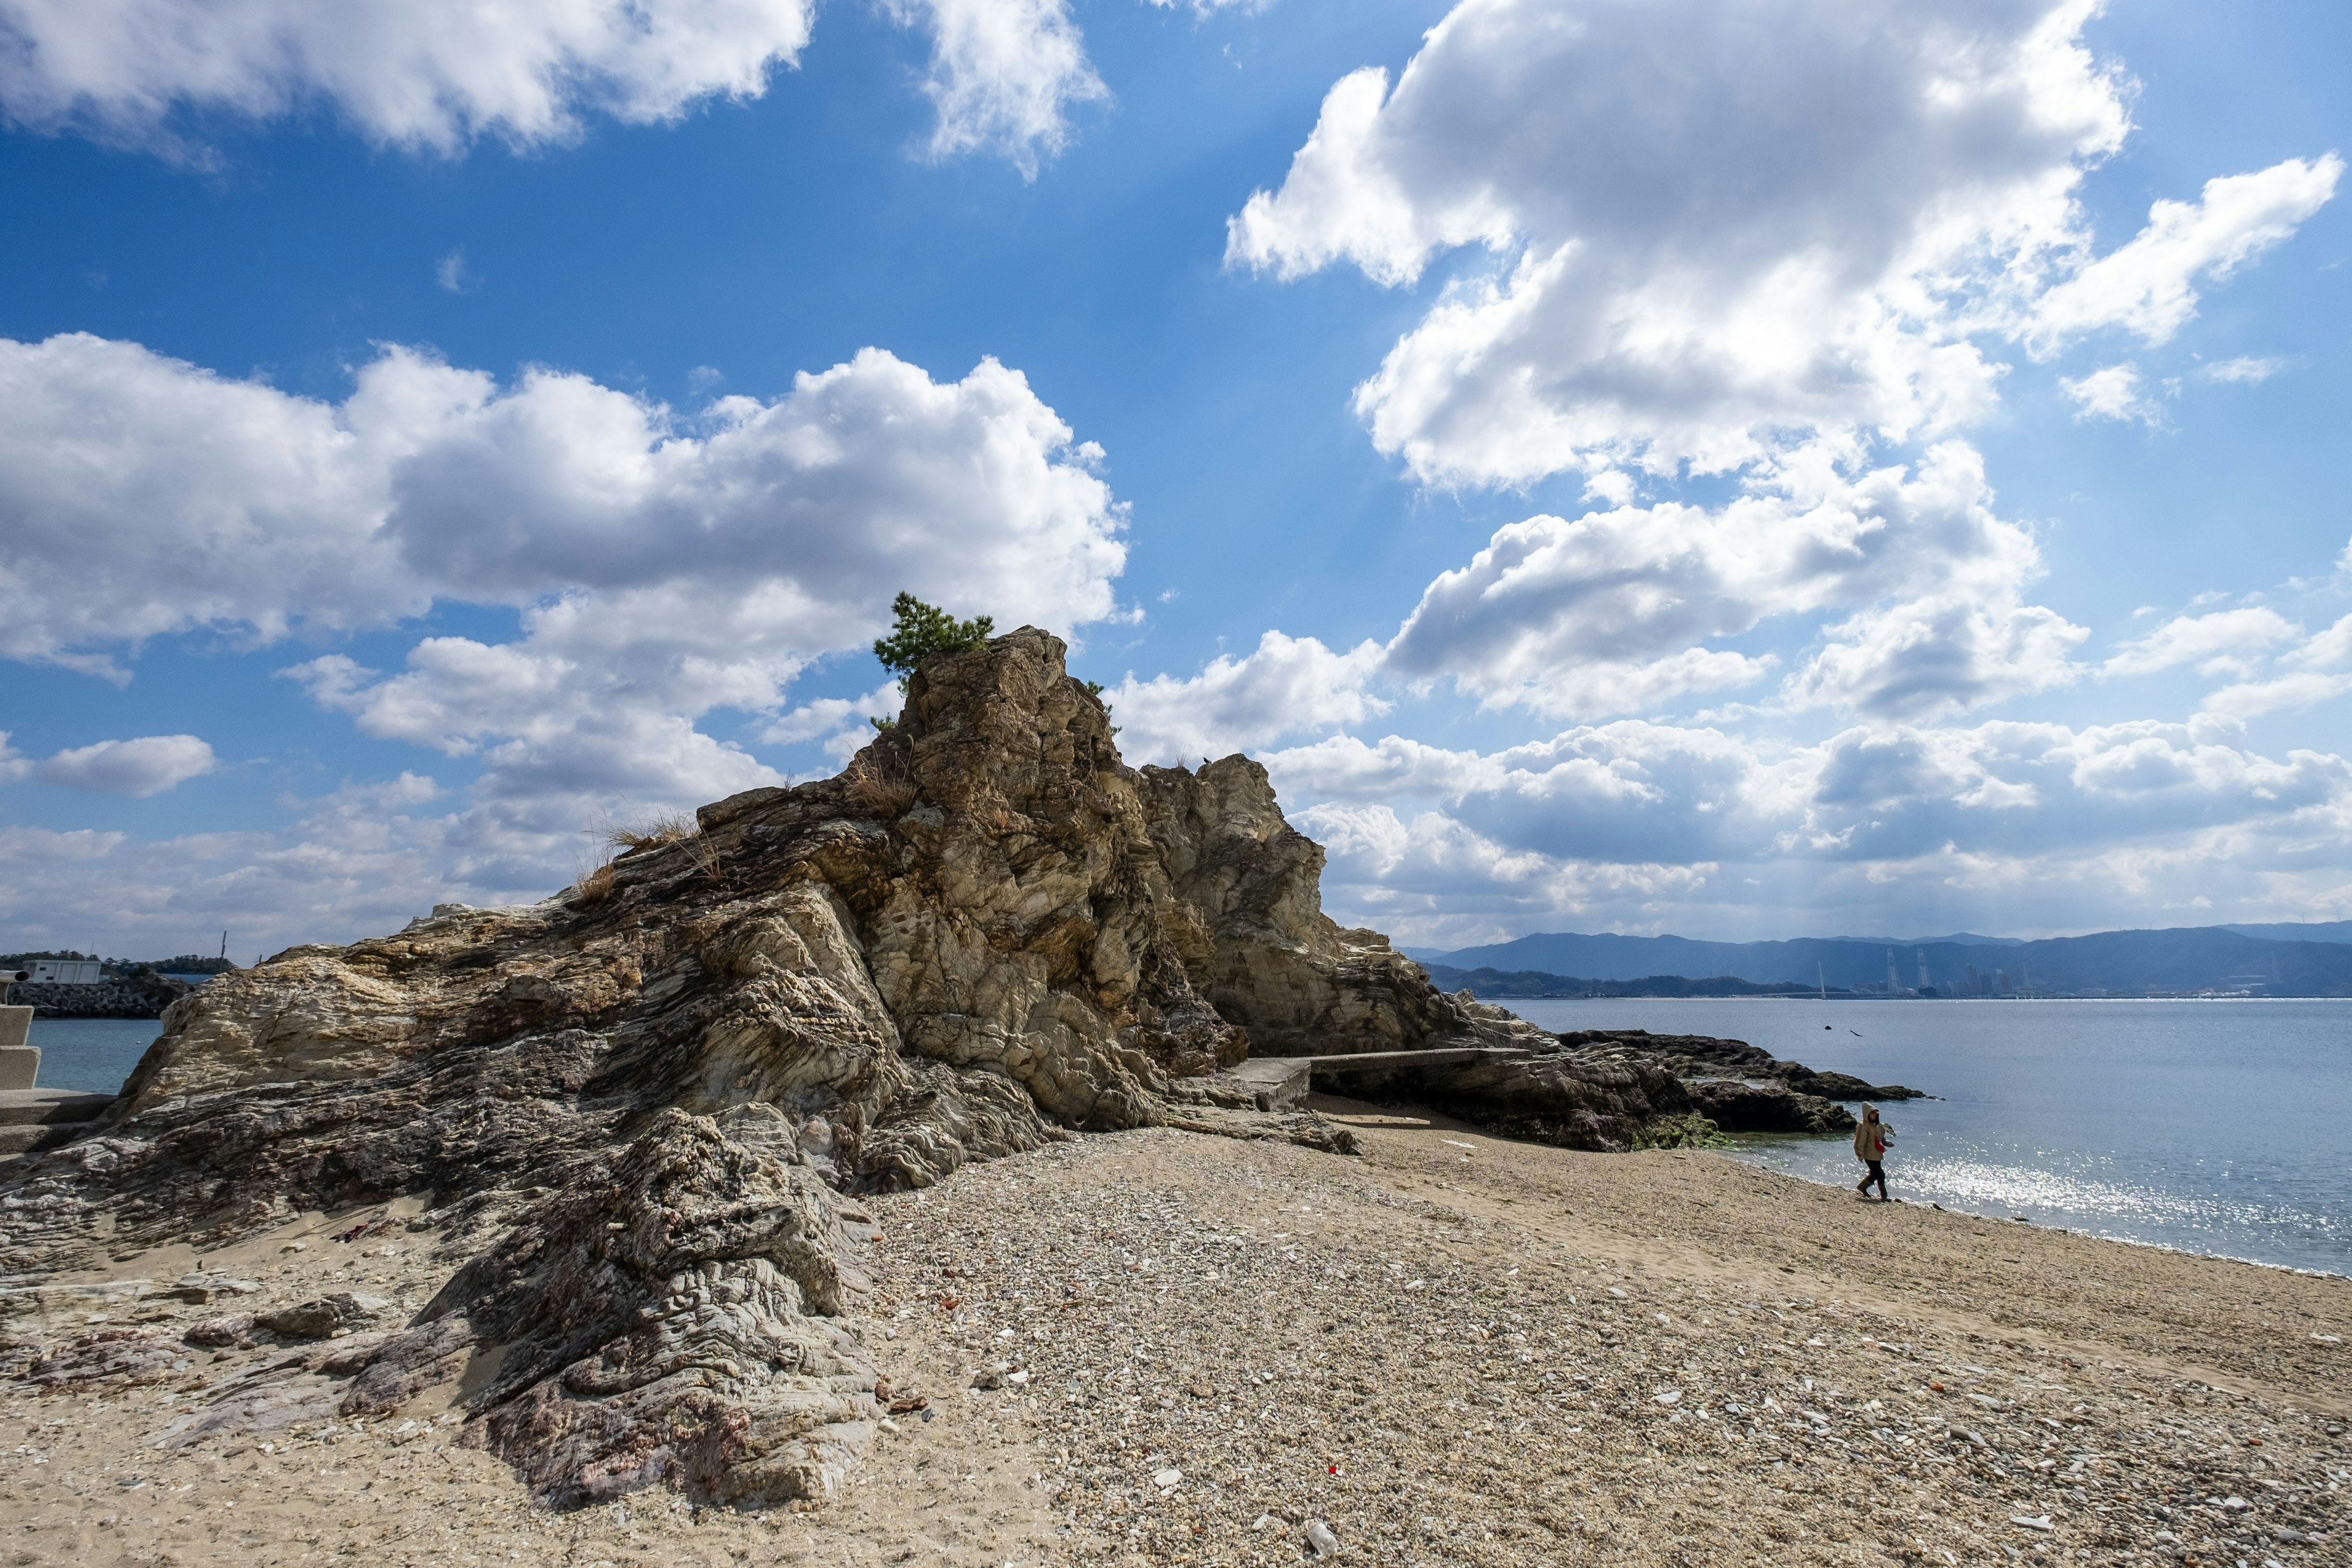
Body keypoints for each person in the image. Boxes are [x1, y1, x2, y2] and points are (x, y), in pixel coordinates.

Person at [1853, 1104, 1892, 1201]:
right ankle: (1884, 1195)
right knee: (1880, 1174)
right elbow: (1860, 1141)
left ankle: (1862, 1187)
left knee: (1875, 1174)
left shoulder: (1878, 1125)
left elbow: (1880, 1137)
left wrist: (1885, 1143)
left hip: (1877, 1154)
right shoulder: (1863, 1126)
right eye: (1872, 1113)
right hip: (1868, 1154)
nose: (1874, 1115)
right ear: (1867, 1114)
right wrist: (1860, 1154)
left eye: (1875, 1113)